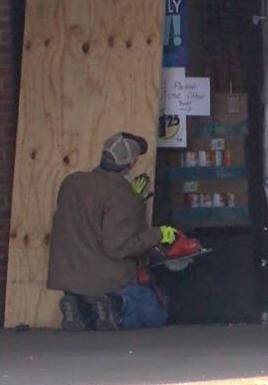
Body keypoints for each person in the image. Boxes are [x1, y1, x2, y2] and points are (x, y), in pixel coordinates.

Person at [46, 132, 177, 331]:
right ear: (131, 164)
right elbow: (119, 247)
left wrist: (132, 201)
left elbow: (90, 217)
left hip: (70, 277)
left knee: (95, 308)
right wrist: (158, 233)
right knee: (155, 311)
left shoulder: (71, 183)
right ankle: (117, 305)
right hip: (105, 280)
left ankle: (79, 306)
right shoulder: (122, 195)